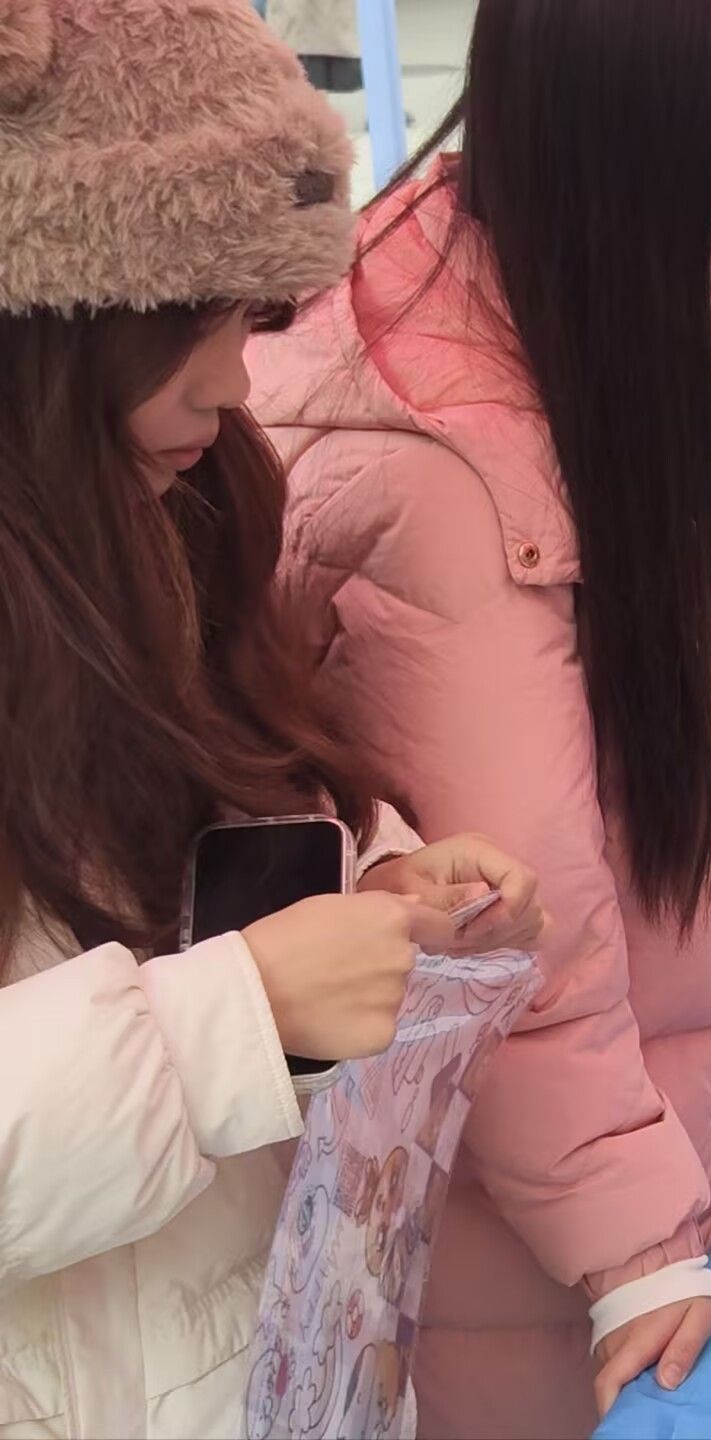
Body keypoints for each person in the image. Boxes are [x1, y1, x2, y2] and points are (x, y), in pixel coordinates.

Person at [251, 3, 711, 1434]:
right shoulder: (438, 473)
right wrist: (632, 1238)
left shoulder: (576, 315)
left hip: (612, 1140)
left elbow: (706, 711)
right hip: (518, 1239)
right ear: (621, 161)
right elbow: (511, 921)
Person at [0, 3, 543, 1435]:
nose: (234, 382)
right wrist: (231, 1021)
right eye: (181, 316)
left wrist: (380, 884)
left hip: (247, 1347)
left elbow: (245, 800)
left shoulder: (174, 517)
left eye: (250, 317)